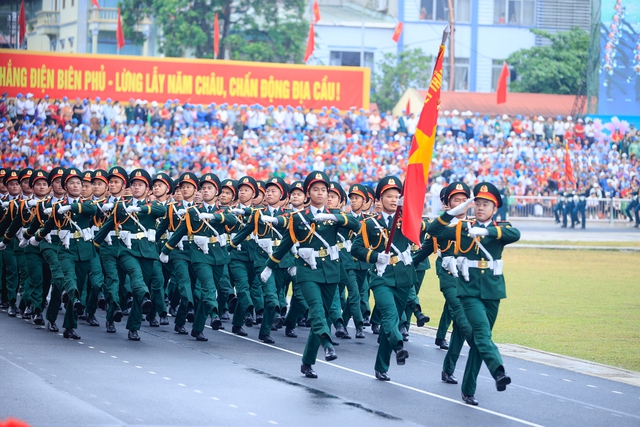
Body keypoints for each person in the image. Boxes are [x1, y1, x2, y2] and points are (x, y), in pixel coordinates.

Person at [428, 182, 520, 406]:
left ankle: (468, 390)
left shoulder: (500, 228)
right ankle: (498, 371)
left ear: (494, 208)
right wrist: (453, 212)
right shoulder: (462, 227)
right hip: (468, 291)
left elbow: (514, 234)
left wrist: (486, 230)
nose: (480, 207)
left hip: (492, 290)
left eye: (485, 204)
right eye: (477, 203)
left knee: (480, 341)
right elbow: (433, 230)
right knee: (481, 333)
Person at [263, 171, 359, 378]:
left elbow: (356, 225)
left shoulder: (335, 217)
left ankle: (307, 362)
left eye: (323, 190)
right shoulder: (298, 217)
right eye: (315, 189)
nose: (320, 193)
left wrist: (334, 216)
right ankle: (327, 344)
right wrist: (269, 266)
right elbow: (287, 243)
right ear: (308, 193)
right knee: (316, 310)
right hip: (307, 270)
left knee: (322, 315)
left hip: (331, 271)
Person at [351, 176, 415, 381]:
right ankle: (398, 346)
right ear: (380, 199)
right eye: (389, 196)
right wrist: (375, 256)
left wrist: (410, 211)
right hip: (381, 276)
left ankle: (381, 366)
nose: (394, 199)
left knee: (392, 319)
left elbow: (422, 232)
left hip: (403, 278)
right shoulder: (370, 224)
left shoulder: (406, 221)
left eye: (397, 196)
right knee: (389, 315)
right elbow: (356, 248)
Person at [161, 173, 236, 341]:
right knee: (208, 287)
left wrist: (214, 216)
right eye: (204, 189)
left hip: (219, 256)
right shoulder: (193, 211)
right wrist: (165, 250)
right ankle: (214, 314)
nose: (206, 191)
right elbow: (179, 232)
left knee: (203, 295)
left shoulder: (223, 210)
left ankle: (197, 327)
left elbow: (233, 221)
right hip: (200, 256)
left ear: (216, 192)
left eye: (210, 188)